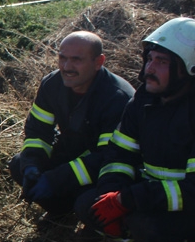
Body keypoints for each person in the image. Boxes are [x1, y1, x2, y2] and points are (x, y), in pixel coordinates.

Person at [74, 17, 195, 242]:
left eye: (162, 62)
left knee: (146, 226)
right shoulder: (143, 101)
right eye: (150, 58)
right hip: (153, 197)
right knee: (88, 206)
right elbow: (119, 155)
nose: (150, 68)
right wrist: (110, 193)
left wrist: (127, 200)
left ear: (189, 67)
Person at [8, 31, 133, 217]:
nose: (67, 67)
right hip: (72, 155)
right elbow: (38, 132)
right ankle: (61, 213)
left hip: (106, 171)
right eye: (62, 58)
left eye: (76, 60)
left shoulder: (117, 98)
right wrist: (32, 166)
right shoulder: (52, 85)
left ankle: (85, 218)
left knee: (89, 202)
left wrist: (56, 179)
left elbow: (108, 157)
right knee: (19, 164)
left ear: (98, 62)